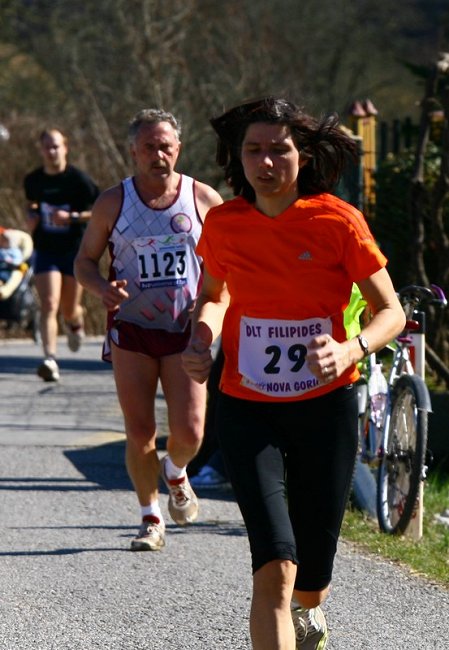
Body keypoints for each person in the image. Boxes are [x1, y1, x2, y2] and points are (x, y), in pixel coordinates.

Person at [182, 97, 405, 650]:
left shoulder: (337, 220)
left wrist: (350, 350)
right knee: (275, 567)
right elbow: (214, 295)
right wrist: (202, 336)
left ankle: (309, 609)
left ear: (302, 155)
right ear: (238, 157)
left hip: (325, 406)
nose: (266, 162)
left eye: (278, 149)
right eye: (253, 150)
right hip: (247, 406)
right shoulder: (225, 223)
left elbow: (391, 312)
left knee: (310, 580)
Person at [74, 108, 223, 552]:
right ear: (134, 152)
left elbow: (229, 264)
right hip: (132, 330)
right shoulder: (112, 202)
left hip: (185, 330)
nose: (159, 155)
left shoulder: (203, 198)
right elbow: (84, 262)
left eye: (166, 146)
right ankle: (151, 517)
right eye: (149, 147)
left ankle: (175, 471)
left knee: (191, 432)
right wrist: (101, 288)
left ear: (179, 149)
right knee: (139, 431)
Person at [24, 128, 100, 382]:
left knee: (68, 309)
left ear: (65, 148)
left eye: (56, 146)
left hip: (74, 251)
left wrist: (72, 217)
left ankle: (75, 321)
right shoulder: (33, 180)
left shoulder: (79, 180)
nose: (51, 151)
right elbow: (32, 204)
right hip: (46, 249)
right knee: (48, 303)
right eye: (47, 147)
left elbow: (100, 210)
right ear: (41, 150)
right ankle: (50, 359)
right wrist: (31, 216)